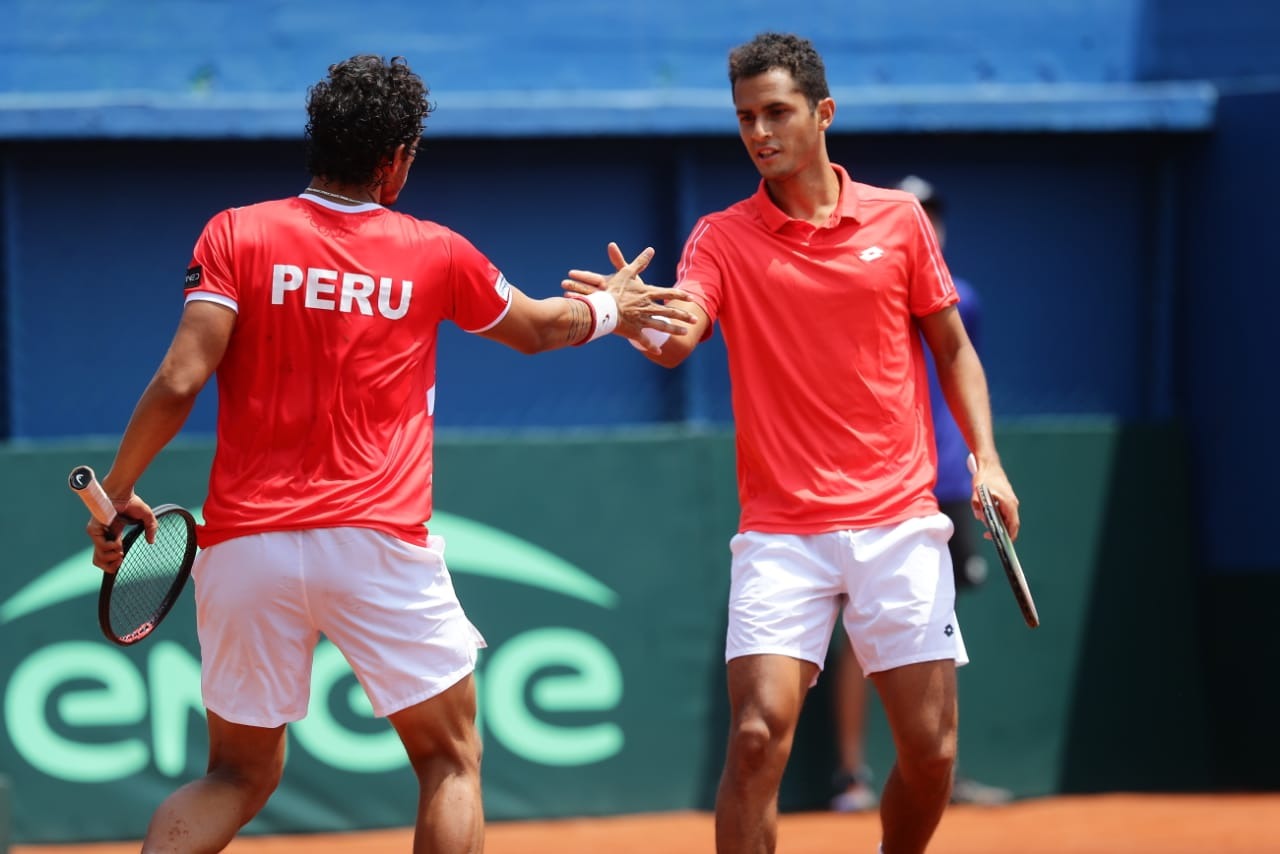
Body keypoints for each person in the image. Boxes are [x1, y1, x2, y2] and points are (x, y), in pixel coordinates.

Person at [82, 54, 691, 854]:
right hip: (375, 544)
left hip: (244, 549)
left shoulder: (234, 232)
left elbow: (179, 376)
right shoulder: (434, 251)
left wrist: (118, 492)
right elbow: (542, 329)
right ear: (395, 160)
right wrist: (610, 309)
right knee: (450, 762)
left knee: (236, 774)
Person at [565, 33, 1020, 854]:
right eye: (745, 117)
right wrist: (631, 319)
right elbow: (682, 333)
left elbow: (953, 348)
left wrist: (986, 458)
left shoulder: (900, 220)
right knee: (755, 737)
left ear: (823, 113)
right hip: (782, 533)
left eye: (777, 112)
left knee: (930, 751)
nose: (760, 132)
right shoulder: (720, 237)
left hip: (899, 521)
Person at [829, 175, 1013, 815]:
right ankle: (851, 774)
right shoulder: (865, 287)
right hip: (876, 484)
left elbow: (962, 371)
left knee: (934, 631)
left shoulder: (963, 297)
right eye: (915, 214)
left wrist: (984, 462)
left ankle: (936, 771)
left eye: (932, 214)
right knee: (862, 632)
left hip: (949, 483)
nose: (925, 225)